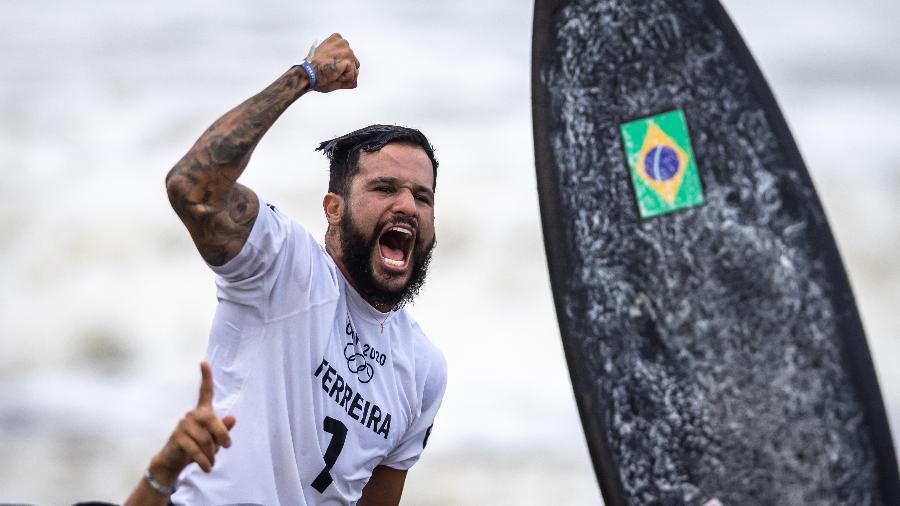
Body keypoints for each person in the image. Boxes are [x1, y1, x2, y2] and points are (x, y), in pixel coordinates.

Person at [125, 33, 447, 506]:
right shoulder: (284, 264)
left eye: (422, 197)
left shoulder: (423, 369)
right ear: (333, 208)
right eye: (384, 188)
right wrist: (305, 76)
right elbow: (192, 187)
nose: (407, 207)